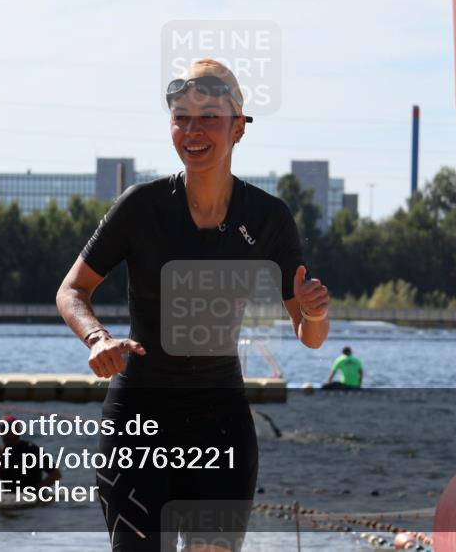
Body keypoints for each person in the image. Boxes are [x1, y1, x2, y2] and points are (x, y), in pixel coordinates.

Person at [56, 58, 330, 551]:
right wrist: (97, 338)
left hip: (220, 420)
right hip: (139, 418)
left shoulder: (268, 217)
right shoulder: (141, 206)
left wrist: (315, 312)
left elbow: (309, 336)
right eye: (181, 118)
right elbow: (72, 290)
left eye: (208, 118)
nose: (193, 131)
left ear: (238, 128)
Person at [0, 414, 61, 501]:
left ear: (18, 431)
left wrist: (36, 491)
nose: (8, 434)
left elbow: (55, 475)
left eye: (12, 430)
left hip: (35, 500)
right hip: (10, 499)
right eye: (4, 430)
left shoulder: (32, 450)